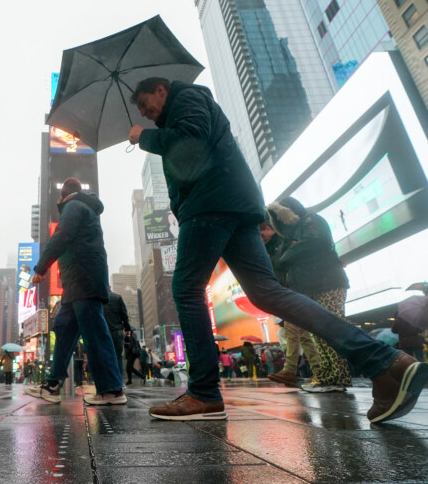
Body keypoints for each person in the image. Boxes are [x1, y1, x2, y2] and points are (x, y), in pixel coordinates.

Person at [127, 76, 428, 423]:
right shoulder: (183, 108)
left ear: (162, 89)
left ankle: (203, 393)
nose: (146, 112)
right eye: (141, 111)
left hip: (211, 206)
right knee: (268, 293)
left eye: (146, 103)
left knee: (185, 287)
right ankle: (385, 362)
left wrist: (144, 137)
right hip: (233, 206)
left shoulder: (187, 98)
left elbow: (191, 144)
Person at [25, 177, 126, 405]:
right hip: (76, 283)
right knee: (64, 329)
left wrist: (41, 268)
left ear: (63, 194)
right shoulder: (84, 207)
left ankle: (111, 390)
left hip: (84, 279)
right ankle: (52, 385)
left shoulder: (74, 206)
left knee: (95, 333)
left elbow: (61, 237)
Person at [267, 198, 352, 393]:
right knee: (320, 333)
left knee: (331, 330)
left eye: (282, 217)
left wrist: (288, 254)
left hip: (328, 284)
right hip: (313, 287)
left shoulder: (311, 220)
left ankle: (337, 378)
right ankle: (328, 377)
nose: (281, 223)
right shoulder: (293, 235)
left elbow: (316, 241)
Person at [261, 220, 322, 388]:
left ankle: (289, 370)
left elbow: (287, 266)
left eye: (262, 234)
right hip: (288, 291)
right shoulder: (271, 247)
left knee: (292, 332)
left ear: (268, 228)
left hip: (293, 290)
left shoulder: (283, 242)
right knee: (302, 336)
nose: (261, 238)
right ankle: (319, 370)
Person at [102, 288, 132, 375]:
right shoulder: (117, 297)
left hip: (104, 332)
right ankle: (119, 381)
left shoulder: (99, 299)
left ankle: (109, 380)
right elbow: (124, 315)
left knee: (106, 356)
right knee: (118, 356)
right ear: (110, 287)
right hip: (117, 331)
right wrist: (127, 329)